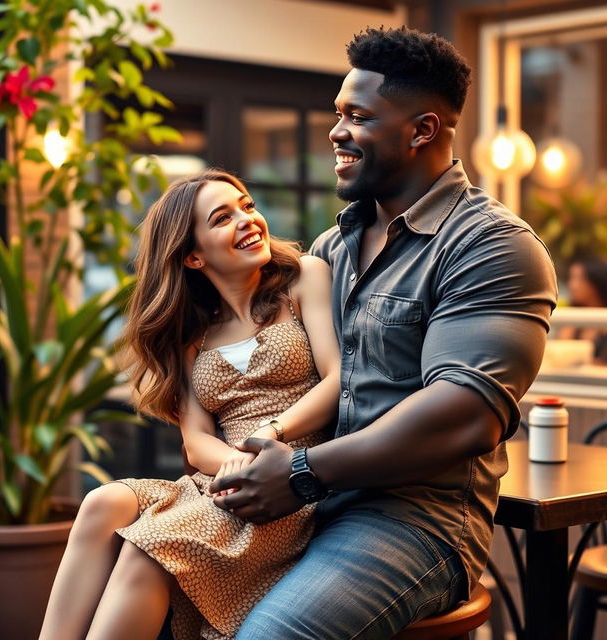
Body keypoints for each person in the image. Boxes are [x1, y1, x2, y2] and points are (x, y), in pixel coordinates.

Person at [210, 27, 558, 638]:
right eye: (337, 114)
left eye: (358, 116)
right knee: (149, 578)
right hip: (311, 504)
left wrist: (301, 472)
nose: (336, 132)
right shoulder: (329, 249)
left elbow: (465, 413)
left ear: (422, 130)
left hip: (413, 522)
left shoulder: (492, 247)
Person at [39, 170, 340, 640]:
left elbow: (337, 380)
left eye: (247, 205)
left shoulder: (302, 278)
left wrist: (271, 439)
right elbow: (197, 440)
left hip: (287, 483)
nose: (247, 219)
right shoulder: (194, 331)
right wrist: (239, 464)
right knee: (101, 502)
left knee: (151, 547)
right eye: (223, 217)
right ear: (194, 256)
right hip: (223, 479)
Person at [558, 257, 607, 363]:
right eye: (571, 278)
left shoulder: (603, 320)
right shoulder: (572, 319)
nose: (571, 285)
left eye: (579, 279)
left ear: (595, 281)